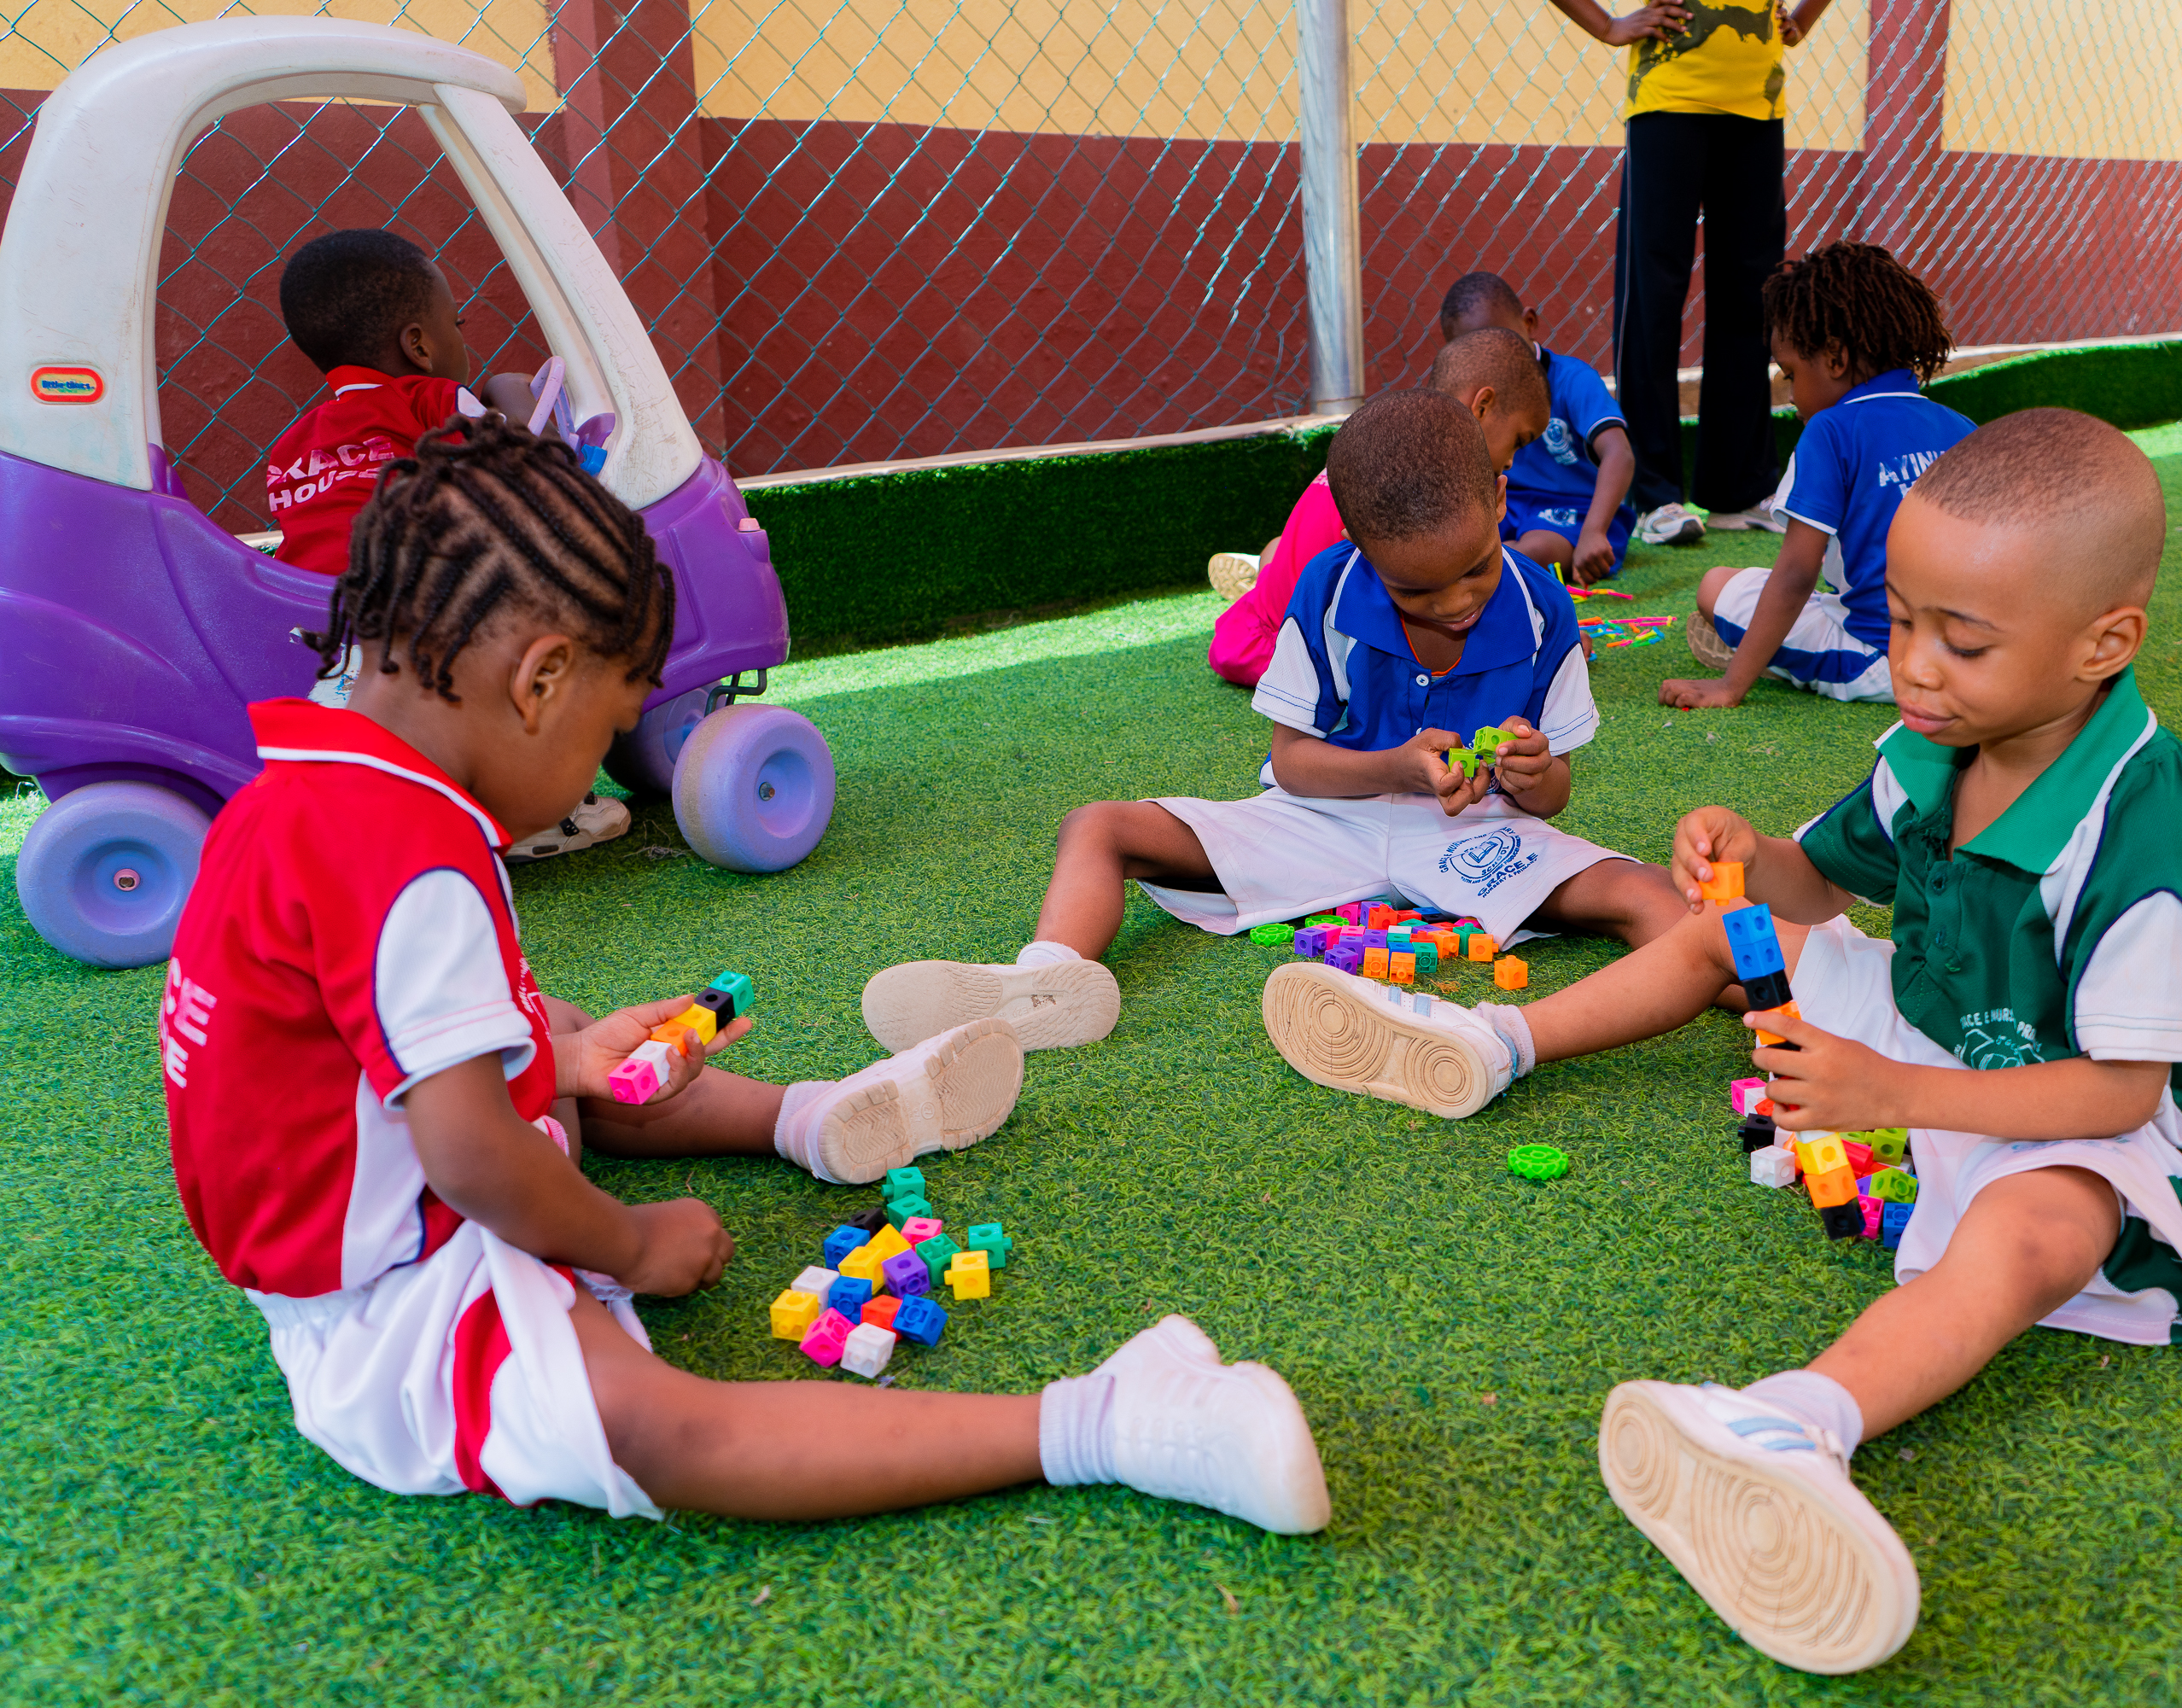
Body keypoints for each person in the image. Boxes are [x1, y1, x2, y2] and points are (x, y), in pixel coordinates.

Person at [161, 417, 1332, 1533]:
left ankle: (814, 1120)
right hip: (397, 1295)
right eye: (606, 737)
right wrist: (628, 1244)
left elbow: (346, 1047)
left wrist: (559, 1060)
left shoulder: (304, 783)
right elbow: (469, 1157)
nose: (595, 781)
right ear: (539, 681)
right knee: (663, 1430)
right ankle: (1104, 1419)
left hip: (372, 1188)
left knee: (550, 1033)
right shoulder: (411, 854)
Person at [1261, 411, 2182, 1675]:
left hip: (2064, 1101)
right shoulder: (1930, 749)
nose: (1915, 667)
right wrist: (1740, 851)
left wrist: (1891, 1090)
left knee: (2044, 1232)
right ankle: (1489, 1040)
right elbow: (1815, 879)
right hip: (1930, 1013)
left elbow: (2123, 1088)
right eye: (1899, 621)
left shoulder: (2150, 834)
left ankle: (1793, 1424)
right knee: (1709, 930)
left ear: (2105, 641)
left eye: (1964, 641)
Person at [867, 389, 1690, 1061]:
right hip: (1321, 821)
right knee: (1098, 825)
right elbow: (1293, 763)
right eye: (1416, 591)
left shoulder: (1545, 607)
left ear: (1502, 499)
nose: (1455, 602)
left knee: (1646, 891)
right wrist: (1396, 768)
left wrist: (1532, 773)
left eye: (1474, 568)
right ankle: (1047, 983)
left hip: (1477, 835)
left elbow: (1556, 793)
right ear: (1361, 551)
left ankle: (1770, 1002)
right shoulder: (1328, 591)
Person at [271, 227, 618, 859]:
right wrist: (512, 396)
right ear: (420, 344)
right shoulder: (433, 399)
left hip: (319, 638)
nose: (463, 338)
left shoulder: (292, 447)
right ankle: (535, 811)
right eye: (456, 323)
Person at [1545, 0, 1830, 547]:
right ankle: (1652, 493)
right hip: (1668, 98)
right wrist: (1607, 25)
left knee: (1753, 295)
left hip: (1757, 101)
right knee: (1653, 293)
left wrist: (1804, 17)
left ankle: (1739, 490)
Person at [1660, 242, 1972, 710]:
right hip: (1968, 657)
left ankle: (1763, 658)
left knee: (1715, 586)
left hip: (1883, 662)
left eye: (1790, 374)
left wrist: (1730, 686)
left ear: (1834, 358)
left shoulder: (1831, 430)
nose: (1790, 394)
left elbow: (1795, 574)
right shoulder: (1960, 426)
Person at [1207, 328, 1549, 687]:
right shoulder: (1420, 484)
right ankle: (1269, 576)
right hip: (1278, 641)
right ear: (1482, 406)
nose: (1511, 461)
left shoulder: (1385, 441)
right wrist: (1540, 639)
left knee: (1284, 549)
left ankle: (1267, 572)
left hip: (1284, 592)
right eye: (1519, 440)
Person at [1438, 271, 1639, 586]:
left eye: (1500, 338)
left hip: (1573, 510)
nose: (1493, 355)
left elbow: (1620, 454)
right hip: (1504, 502)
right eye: (1473, 349)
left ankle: (1472, 573)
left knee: (1535, 551)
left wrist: (1594, 532)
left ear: (1528, 322)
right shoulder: (1471, 394)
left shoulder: (1573, 379)